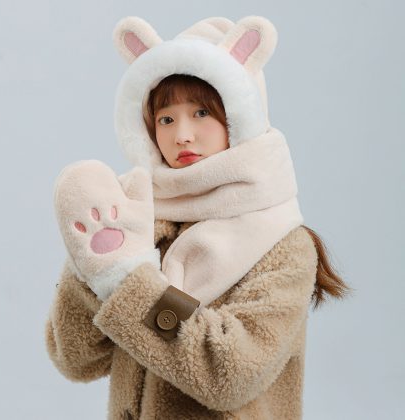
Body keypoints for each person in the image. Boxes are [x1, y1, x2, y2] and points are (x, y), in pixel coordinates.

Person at [45, 16, 351, 420]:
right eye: (166, 119)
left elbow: (230, 373)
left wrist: (131, 283)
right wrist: (96, 267)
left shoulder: (281, 243)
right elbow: (75, 359)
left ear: (238, 118)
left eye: (202, 112)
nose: (182, 135)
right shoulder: (138, 223)